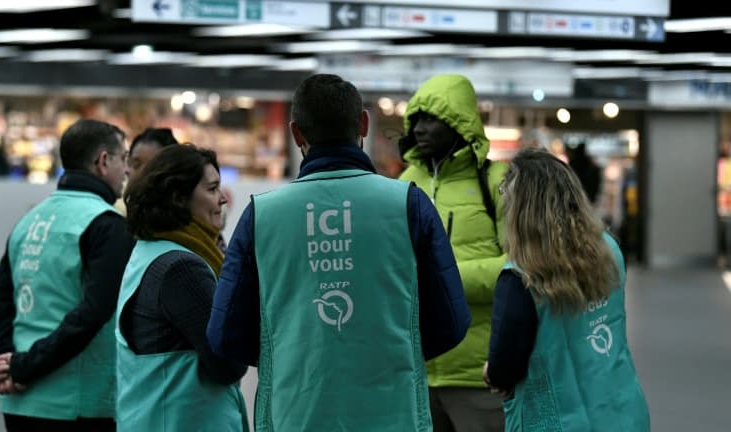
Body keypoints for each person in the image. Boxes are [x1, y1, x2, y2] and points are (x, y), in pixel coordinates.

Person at [206, 74, 471, 432]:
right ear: (363, 123)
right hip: (393, 412)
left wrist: (291, 352)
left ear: (297, 134)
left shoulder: (262, 216)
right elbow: (452, 323)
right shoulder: (408, 205)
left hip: (295, 412)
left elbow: (224, 333)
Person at [0, 119, 134, 431]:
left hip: (20, 400)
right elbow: (94, 312)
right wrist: (24, 368)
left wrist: (0, 363)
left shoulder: (31, 219)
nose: (127, 171)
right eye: (124, 159)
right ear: (103, 161)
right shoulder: (107, 225)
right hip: (75, 404)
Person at [484, 148, 650, 431]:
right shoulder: (608, 249)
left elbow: (504, 368)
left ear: (520, 209)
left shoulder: (520, 276)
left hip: (558, 421)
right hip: (622, 411)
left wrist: (491, 372)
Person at [398, 73, 508, 432]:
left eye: (430, 119)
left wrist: (446, 279)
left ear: (459, 122)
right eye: (415, 120)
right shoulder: (402, 186)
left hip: (480, 374)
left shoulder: (496, 183)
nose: (418, 129)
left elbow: (521, 267)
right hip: (418, 372)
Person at [117, 144, 248, 431]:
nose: (222, 200)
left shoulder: (149, 250)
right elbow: (228, 364)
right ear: (179, 198)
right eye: (212, 189)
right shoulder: (181, 269)